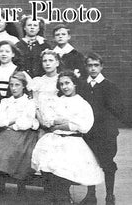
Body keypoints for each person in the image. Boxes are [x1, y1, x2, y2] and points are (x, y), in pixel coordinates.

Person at [31, 70, 104, 205]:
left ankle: (63, 199)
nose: (65, 87)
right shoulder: (57, 101)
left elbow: (83, 125)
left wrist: (63, 124)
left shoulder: (82, 103)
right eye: (62, 84)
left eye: (67, 83)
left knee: (63, 174)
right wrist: (65, 122)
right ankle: (53, 198)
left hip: (72, 142)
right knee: (47, 170)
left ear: (74, 84)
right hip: (54, 139)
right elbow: (49, 121)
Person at [77, 53, 126, 205]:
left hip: (105, 133)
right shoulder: (81, 86)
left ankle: (109, 196)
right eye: (90, 65)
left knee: (107, 164)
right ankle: (91, 194)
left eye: (96, 65)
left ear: (101, 66)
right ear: (86, 67)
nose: (93, 68)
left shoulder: (109, 86)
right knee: (89, 162)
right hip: (88, 132)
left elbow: (117, 110)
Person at [0, 72, 39, 200]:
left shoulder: (29, 102)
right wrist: (13, 120)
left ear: (23, 86)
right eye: (11, 85)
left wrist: (13, 124)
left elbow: (25, 122)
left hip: (24, 134)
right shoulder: (5, 101)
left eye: (17, 85)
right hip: (7, 133)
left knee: (16, 150)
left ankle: (20, 188)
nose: (14, 88)